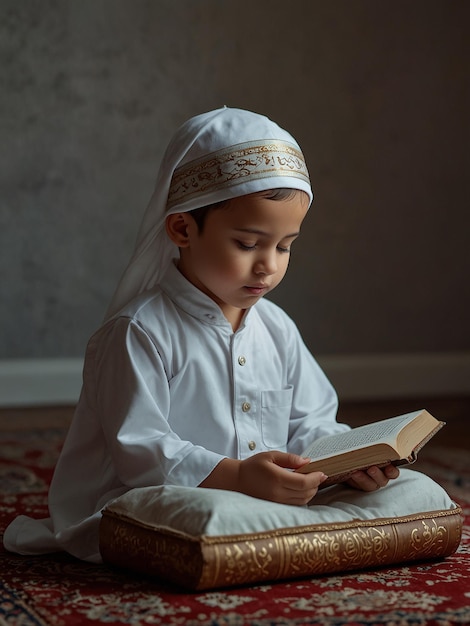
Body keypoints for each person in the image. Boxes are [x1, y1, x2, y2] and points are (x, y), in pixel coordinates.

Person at [4, 107, 400, 562]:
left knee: (411, 492)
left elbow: (311, 421)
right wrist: (237, 477)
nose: (268, 265)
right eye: (247, 244)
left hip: (269, 499)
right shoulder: (138, 331)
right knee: (196, 518)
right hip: (163, 498)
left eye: (285, 246)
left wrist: (345, 464)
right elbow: (142, 452)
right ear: (183, 228)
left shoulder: (277, 328)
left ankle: (261, 531)